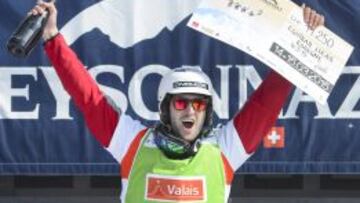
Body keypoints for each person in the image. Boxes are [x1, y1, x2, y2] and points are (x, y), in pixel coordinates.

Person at [32, 1, 324, 202]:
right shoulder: (131, 142)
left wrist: (300, 40)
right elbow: (89, 97)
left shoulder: (225, 149)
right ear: (165, 108)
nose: (190, 112)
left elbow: (266, 101)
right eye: (181, 103)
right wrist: (51, 36)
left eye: (198, 105)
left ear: (207, 111)